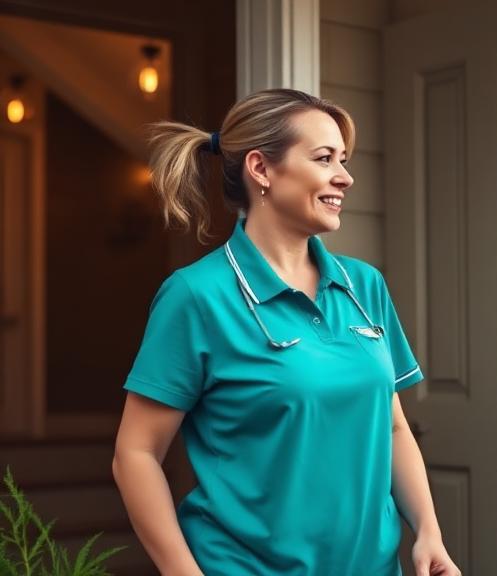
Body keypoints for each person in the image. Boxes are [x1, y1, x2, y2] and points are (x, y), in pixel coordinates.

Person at [112, 88, 460, 576]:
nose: (346, 176)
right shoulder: (196, 296)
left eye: (344, 159)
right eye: (324, 158)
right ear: (261, 169)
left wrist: (428, 530)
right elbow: (136, 452)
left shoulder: (364, 285)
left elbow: (393, 425)